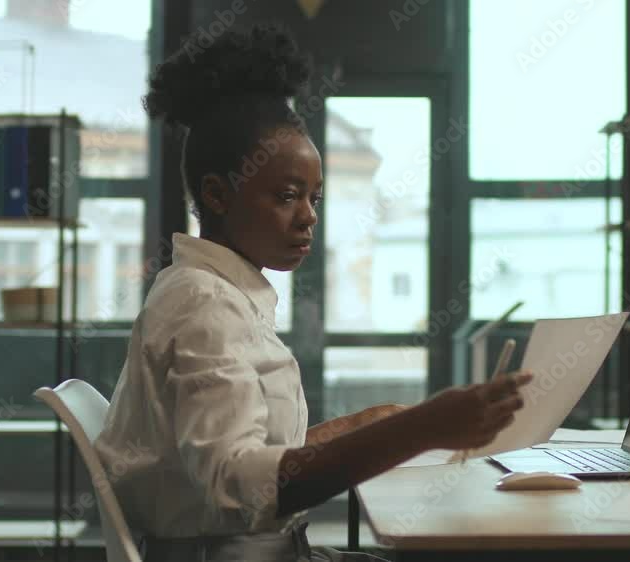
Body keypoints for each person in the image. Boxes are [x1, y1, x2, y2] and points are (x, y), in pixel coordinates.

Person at [94, 22, 532, 562]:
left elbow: (248, 448)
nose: (307, 218)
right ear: (217, 194)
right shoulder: (205, 306)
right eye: (286, 196)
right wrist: (423, 427)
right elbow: (238, 482)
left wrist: (370, 426)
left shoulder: (211, 291)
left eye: (315, 199)